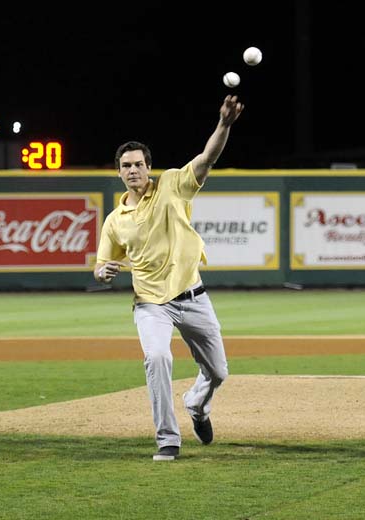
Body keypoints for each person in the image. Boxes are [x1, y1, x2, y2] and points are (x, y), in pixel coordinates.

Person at [93, 95, 245, 461]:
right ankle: (167, 439)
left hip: (193, 296)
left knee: (219, 372)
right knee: (157, 357)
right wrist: (103, 271)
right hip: (150, 305)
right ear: (119, 172)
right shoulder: (115, 221)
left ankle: (197, 404)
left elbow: (207, 159)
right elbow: (100, 268)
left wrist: (224, 124)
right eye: (126, 165)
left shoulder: (172, 185)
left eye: (139, 164)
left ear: (149, 167)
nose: (133, 170)